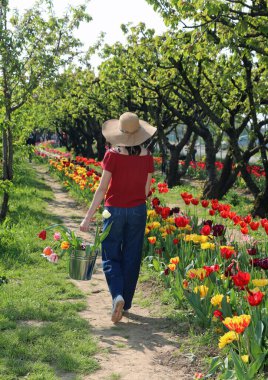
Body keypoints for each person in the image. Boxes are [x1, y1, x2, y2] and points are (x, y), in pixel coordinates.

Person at [80, 112, 156, 323]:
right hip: (138, 210)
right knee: (132, 256)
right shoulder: (148, 156)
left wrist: (87, 218)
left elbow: (102, 188)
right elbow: (147, 189)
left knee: (110, 255)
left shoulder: (112, 155)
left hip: (114, 210)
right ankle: (127, 303)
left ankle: (117, 295)